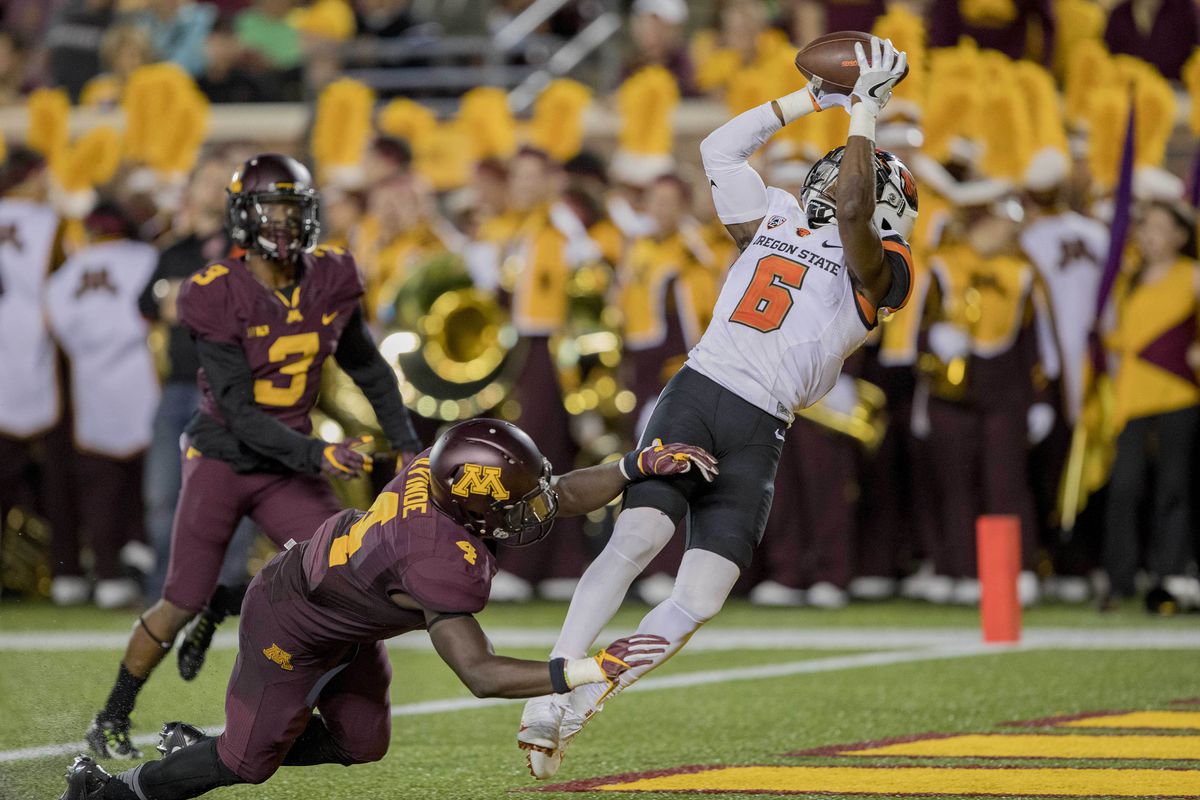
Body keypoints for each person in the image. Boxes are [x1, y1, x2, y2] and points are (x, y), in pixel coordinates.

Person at [517, 35, 916, 778]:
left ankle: (590, 689)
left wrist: (861, 112)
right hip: (702, 392)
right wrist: (818, 102)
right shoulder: (774, 217)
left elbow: (856, 211)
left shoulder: (885, 272)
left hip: (762, 427)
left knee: (700, 596)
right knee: (634, 539)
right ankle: (552, 683)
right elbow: (719, 148)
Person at [57, 419, 716, 800]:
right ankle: (116, 790)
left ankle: (199, 748)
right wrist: (584, 670)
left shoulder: (447, 468)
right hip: (291, 621)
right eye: (511, 508)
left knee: (361, 743)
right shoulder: (434, 554)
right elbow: (479, 673)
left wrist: (632, 467)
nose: (529, 513)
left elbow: (555, 494)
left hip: (347, 611)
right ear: (473, 506)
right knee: (246, 765)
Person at [85, 153, 424, 761]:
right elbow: (238, 412)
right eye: (272, 209)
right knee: (179, 600)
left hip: (288, 469)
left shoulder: (333, 276)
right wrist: (318, 452)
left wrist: (407, 446)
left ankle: (240, 612)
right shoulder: (215, 291)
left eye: (294, 210)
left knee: (341, 572)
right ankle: (112, 714)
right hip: (224, 459)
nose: (285, 224)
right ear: (244, 216)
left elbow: (368, 367)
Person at [1102, 199, 1200, 608]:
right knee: (1124, 486)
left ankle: (1170, 574)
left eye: (1160, 227)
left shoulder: (1191, 275)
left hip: (1178, 394)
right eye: (1147, 227)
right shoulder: (1130, 279)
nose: (1149, 235)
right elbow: (1115, 336)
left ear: (1180, 235)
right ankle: (1121, 578)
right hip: (1132, 398)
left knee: (1173, 487)